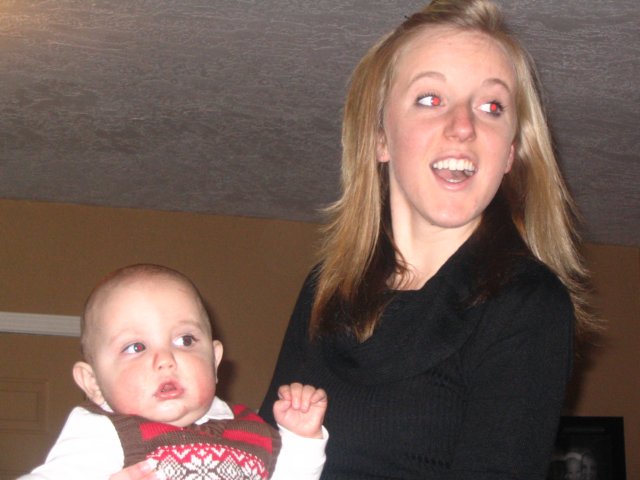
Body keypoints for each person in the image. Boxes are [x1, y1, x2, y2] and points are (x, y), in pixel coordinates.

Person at [259, 0, 596, 478]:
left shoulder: (528, 305)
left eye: (492, 107)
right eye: (431, 99)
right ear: (379, 137)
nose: (464, 127)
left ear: (510, 154)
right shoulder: (326, 289)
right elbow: (266, 457)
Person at [20, 264, 328, 480]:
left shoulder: (253, 430)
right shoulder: (102, 433)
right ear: (94, 383)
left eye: (185, 340)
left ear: (214, 361)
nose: (165, 359)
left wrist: (302, 440)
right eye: (136, 347)